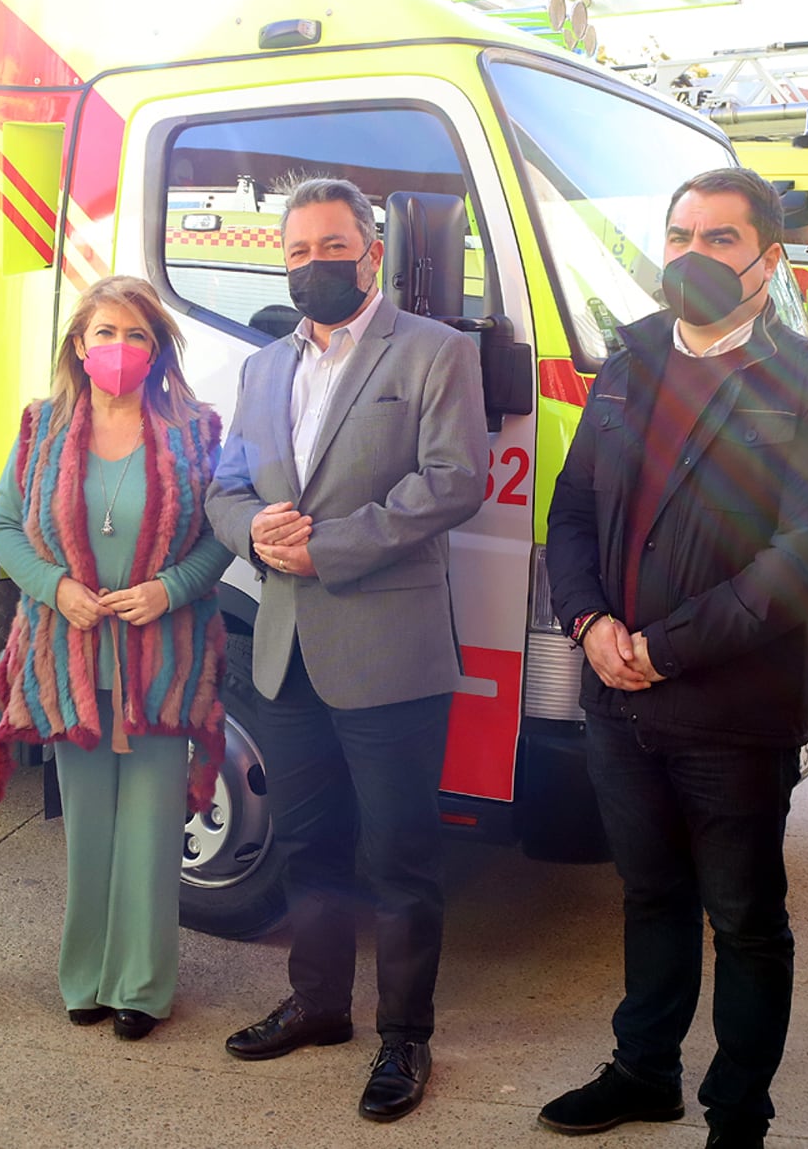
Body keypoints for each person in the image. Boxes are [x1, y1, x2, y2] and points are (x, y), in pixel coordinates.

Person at [540, 168, 808, 1148]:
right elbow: (572, 512)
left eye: (719, 240)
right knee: (648, 895)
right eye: (678, 234)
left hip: (730, 709)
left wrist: (661, 647)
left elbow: (800, 559)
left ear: (767, 261)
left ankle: (736, 1111)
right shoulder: (628, 361)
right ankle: (644, 1070)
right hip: (618, 697)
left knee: (745, 919)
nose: (691, 255)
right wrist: (589, 624)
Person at [203, 177, 487, 1122]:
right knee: (311, 843)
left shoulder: (436, 351)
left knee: (400, 857)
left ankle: (406, 1037)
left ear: (372, 251)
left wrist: (330, 544)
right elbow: (226, 486)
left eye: (333, 247)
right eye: (296, 251)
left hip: (390, 649)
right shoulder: (261, 368)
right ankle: (320, 1003)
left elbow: (455, 481)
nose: (314, 264)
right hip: (286, 647)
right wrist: (255, 534)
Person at [0, 274, 231, 1042]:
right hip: (70, 660)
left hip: (162, 663)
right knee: (87, 829)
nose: (119, 348)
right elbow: (3, 527)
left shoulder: (198, 431)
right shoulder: (40, 425)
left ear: (157, 349)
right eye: (104, 333)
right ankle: (84, 976)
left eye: (136, 334)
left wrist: (170, 589)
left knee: (149, 833)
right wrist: (56, 588)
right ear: (79, 347)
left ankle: (141, 988)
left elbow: (222, 534)